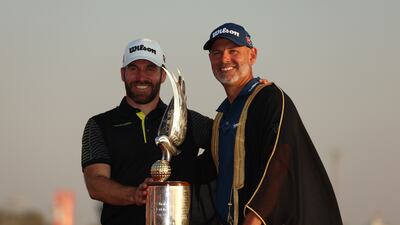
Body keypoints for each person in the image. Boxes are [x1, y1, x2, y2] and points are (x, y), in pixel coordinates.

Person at [203, 22, 343, 225]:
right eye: (217, 53)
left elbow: (281, 161)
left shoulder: (269, 98)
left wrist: (254, 218)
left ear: (252, 55)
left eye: (233, 51)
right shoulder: (222, 117)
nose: (224, 59)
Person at [81, 38, 217, 225]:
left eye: (150, 69)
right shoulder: (99, 125)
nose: (141, 77)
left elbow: (233, 139)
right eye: (133, 68)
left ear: (162, 75)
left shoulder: (188, 120)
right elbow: (95, 183)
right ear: (123, 73)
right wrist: (135, 195)